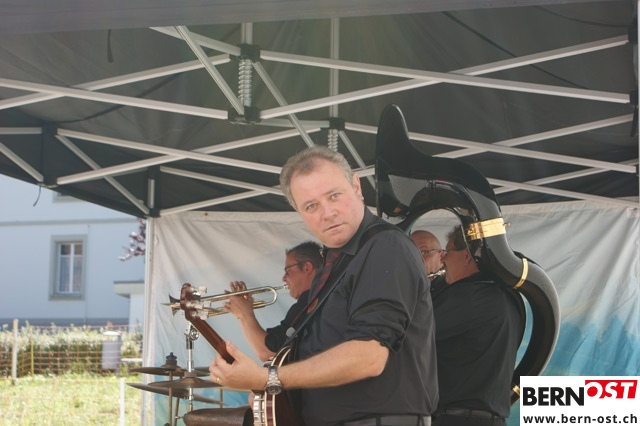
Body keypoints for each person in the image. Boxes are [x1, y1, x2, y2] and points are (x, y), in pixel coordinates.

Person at [210, 145, 438, 426]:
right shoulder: (334, 263)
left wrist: (268, 379)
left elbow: (368, 356)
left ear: (356, 186)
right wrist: (273, 394)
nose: (327, 213)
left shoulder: (385, 247)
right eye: (311, 206)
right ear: (299, 211)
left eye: (334, 195)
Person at [431, 225, 524, 426]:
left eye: (448, 252)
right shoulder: (501, 295)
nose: (443, 259)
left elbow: (415, 333)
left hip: (459, 419)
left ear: (466, 255)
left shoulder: (467, 296)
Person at [224, 241, 322, 362]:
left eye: (288, 270)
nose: (284, 278)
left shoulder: (308, 304)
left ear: (307, 268)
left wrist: (245, 313)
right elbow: (262, 347)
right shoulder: (310, 301)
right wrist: (241, 315)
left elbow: (267, 352)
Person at [410, 230, 446, 295]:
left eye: (424, 252)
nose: (416, 258)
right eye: (411, 254)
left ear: (441, 256)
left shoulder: (451, 287)